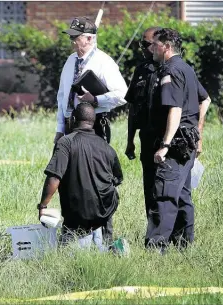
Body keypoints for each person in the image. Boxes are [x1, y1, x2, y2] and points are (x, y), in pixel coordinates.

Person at [55, 16, 128, 243]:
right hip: (70, 127)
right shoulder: (70, 62)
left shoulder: (104, 61)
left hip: (93, 126)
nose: (72, 42)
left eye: (75, 38)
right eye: (71, 37)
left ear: (89, 38)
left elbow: (122, 94)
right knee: (68, 179)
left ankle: (103, 235)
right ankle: (73, 232)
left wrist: (95, 99)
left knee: (96, 181)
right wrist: (59, 130)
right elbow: (62, 98)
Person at [145, 29, 210, 252]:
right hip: (188, 143)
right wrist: (197, 132)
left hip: (175, 145)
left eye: (155, 44)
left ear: (166, 46)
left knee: (164, 194)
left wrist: (164, 145)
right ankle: (184, 247)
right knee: (182, 195)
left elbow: (175, 108)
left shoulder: (170, 71)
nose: (151, 48)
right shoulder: (187, 68)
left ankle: (156, 248)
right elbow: (206, 99)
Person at [38, 102, 123, 251]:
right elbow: (117, 179)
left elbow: (54, 177)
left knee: (68, 254)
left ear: (73, 119)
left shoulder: (66, 142)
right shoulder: (106, 147)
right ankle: (109, 245)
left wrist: (43, 205)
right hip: (104, 213)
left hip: (77, 216)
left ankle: (94, 246)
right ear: (93, 122)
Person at [125, 26, 162, 218]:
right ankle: (153, 227)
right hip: (146, 138)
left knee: (166, 188)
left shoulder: (170, 67)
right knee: (149, 186)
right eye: (140, 43)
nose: (142, 48)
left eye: (146, 44)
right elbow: (132, 108)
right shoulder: (141, 70)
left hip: (166, 139)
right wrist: (130, 140)